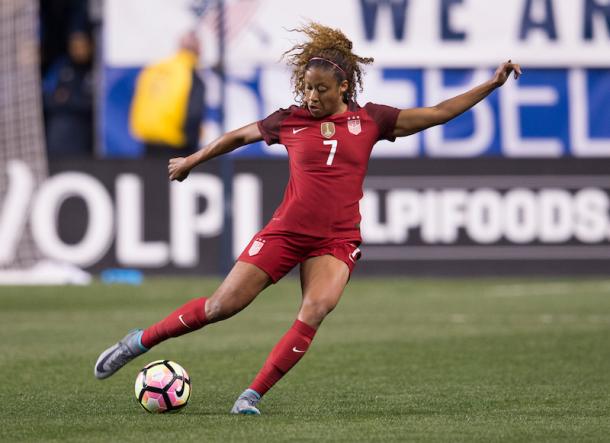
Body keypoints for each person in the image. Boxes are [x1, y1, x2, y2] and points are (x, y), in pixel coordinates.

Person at [94, 23, 521, 414]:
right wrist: (193, 159)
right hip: (285, 232)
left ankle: (251, 396)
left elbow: (439, 112)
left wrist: (492, 82)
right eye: (307, 88)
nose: (312, 97)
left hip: (337, 240)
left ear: (344, 87)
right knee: (221, 306)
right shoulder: (290, 120)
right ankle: (139, 341)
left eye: (320, 89)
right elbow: (239, 135)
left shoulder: (372, 119)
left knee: (315, 308)